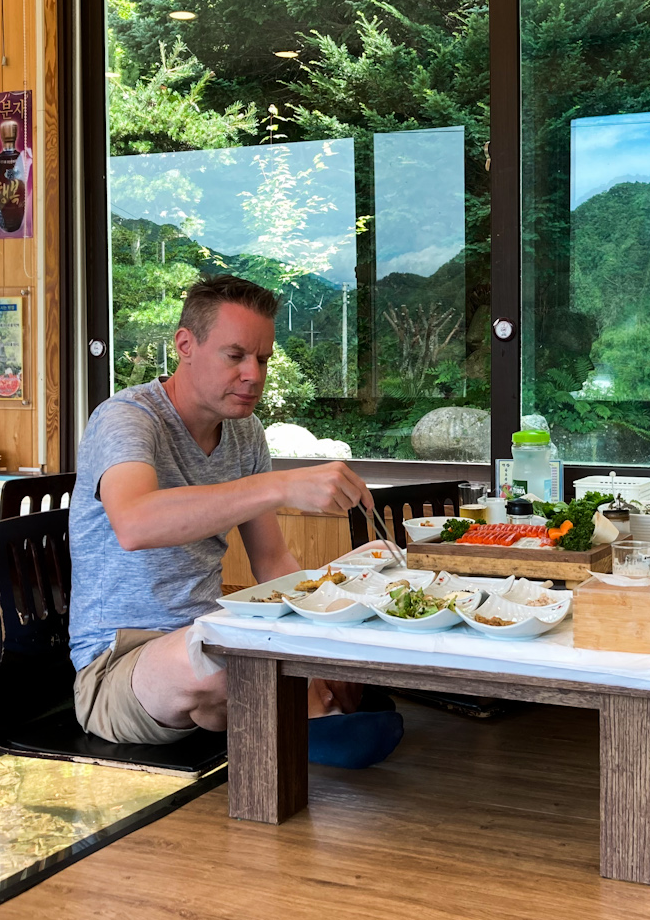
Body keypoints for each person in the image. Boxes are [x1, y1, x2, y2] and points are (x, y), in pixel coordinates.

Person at [68, 274, 403, 767]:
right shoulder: (126, 418)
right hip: (118, 667)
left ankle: (308, 708)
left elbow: (272, 561)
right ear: (185, 345)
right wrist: (279, 486)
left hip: (211, 633)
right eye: (236, 355)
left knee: (323, 645)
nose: (253, 374)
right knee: (230, 667)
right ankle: (314, 717)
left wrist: (332, 622)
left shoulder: (244, 434)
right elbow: (135, 523)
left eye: (262, 359)